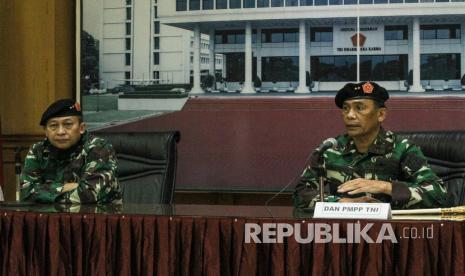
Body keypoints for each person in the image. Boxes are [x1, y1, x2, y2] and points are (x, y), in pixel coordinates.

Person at [293, 82, 447, 209]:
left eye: (359, 108)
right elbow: (301, 193)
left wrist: (385, 187)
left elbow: (438, 195)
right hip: (344, 231)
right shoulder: (331, 150)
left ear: (381, 114)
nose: (350, 115)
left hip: (390, 233)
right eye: (346, 108)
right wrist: (341, 203)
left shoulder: (402, 149)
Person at [20, 99, 122, 204]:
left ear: (81, 128)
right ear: (46, 131)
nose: (60, 132)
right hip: (50, 218)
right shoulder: (38, 150)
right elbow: (26, 193)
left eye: (67, 124)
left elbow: (89, 195)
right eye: (53, 126)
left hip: (97, 217)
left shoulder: (98, 148)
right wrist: (68, 187)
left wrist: (44, 191)